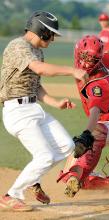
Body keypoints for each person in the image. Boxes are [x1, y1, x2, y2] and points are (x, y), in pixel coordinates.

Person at [0, 11, 87, 212]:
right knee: (45, 156)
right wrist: (72, 70)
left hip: (33, 108)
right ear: (42, 31)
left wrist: (55, 103)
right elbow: (39, 69)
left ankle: (32, 180)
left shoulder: (37, 51)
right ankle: (11, 195)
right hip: (17, 112)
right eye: (51, 33)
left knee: (66, 146)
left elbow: (36, 86)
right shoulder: (18, 46)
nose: (53, 38)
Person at [57, 35, 109, 197]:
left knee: (96, 133)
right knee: (70, 178)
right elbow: (107, 57)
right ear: (77, 52)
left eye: (92, 60)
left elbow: (95, 110)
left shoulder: (98, 84)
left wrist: (86, 135)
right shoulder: (99, 61)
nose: (86, 63)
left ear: (97, 61)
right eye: (84, 57)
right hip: (101, 124)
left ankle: (78, 172)